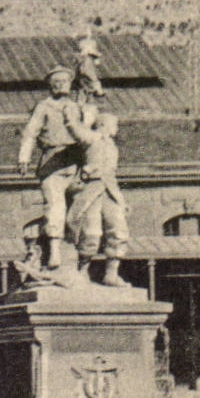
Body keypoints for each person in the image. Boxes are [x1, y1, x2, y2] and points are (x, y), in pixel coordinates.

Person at [17, 66, 97, 271]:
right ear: (50, 85)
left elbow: (90, 130)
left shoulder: (77, 105)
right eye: (56, 81)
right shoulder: (44, 107)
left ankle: (79, 258)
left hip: (76, 163)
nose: (61, 84)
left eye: (64, 80)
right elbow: (30, 132)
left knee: (83, 210)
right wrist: (24, 157)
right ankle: (53, 251)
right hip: (52, 163)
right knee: (55, 205)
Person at [62, 110, 129, 287]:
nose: (116, 128)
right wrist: (69, 116)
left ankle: (111, 273)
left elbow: (112, 175)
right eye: (113, 124)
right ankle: (83, 270)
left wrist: (121, 200)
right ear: (102, 125)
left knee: (118, 229)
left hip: (110, 190)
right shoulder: (92, 138)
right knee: (91, 231)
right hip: (91, 189)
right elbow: (76, 131)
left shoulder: (112, 146)